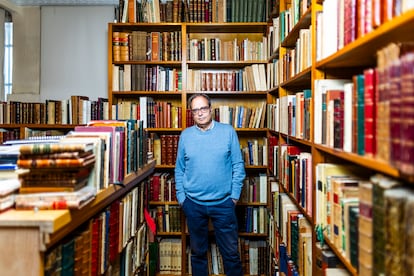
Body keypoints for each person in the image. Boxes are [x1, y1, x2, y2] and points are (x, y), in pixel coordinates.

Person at [175, 93, 246, 276]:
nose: (200, 113)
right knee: (198, 253)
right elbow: (179, 169)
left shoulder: (228, 131)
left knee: (230, 253)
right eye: (195, 110)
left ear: (211, 109)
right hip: (193, 204)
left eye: (203, 108)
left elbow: (238, 166)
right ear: (192, 113)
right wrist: (183, 199)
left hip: (223, 204)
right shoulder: (186, 135)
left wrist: (234, 197)